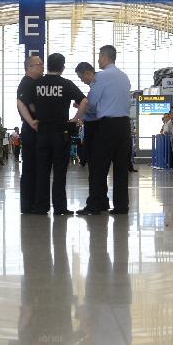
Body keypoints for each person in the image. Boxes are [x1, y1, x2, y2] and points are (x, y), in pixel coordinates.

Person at [77, 45, 132, 216]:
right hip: (124, 125)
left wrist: (80, 108)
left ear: (104, 57)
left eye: (99, 57)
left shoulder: (102, 76)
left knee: (98, 166)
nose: (98, 60)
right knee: (121, 167)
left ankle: (95, 205)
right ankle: (121, 206)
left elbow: (92, 102)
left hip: (108, 125)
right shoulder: (124, 76)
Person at [31, 52, 88, 215]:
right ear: (62, 67)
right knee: (60, 171)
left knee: (42, 171)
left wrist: (38, 114)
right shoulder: (66, 84)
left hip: (42, 133)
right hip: (61, 133)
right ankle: (60, 207)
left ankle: (41, 206)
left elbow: (29, 104)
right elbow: (84, 101)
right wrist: (75, 119)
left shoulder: (37, 84)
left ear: (47, 66)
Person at [75, 61, 110, 211]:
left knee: (95, 167)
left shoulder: (97, 85)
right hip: (101, 128)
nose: (82, 81)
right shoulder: (101, 83)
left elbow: (95, 109)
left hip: (95, 128)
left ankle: (94, 203)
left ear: (87, 73)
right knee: (99, 168)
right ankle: (102, 201)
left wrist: (80, 107)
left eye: (81, 77)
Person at [16, 55, 44, 214]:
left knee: (35, 167)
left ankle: (34, 201)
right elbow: (24, 104)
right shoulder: (27, 83)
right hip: (31, 130)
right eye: (39, 64)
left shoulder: (34, 83)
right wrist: (34, 119)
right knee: (30, 168)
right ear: (30, 67)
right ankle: (28, 204)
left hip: (34, 129)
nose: (42, 67)